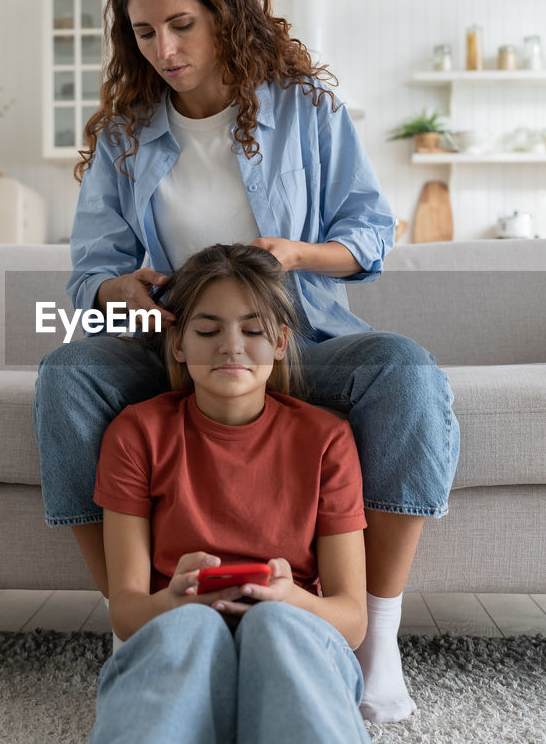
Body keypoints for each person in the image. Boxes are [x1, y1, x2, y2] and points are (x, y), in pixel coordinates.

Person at [33, 0, 460, 722]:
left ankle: (377, 637)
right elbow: (90, 270)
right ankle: (133, 622)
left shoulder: (305, 111)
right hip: (174, 345)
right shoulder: (126, 139)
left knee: (404, 370)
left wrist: (299, 254)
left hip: (302, 336)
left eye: (181, 24)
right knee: (67, 373)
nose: (165, 47)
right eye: (145, 31)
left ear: (225, 13)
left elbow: (371, 232)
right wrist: (119, 288)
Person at [88, 244, 369, 743]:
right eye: (207, 330)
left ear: (281, 342)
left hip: (294, 632)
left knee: (275, 628)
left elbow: (350, 620)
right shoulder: (136, 433)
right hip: (182, 628)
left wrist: (291, 599)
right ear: (177, 344)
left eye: (253, 330)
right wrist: (174, 600)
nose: (231, 346)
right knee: (191, 630)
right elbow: (127, 609)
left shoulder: (326, 439)